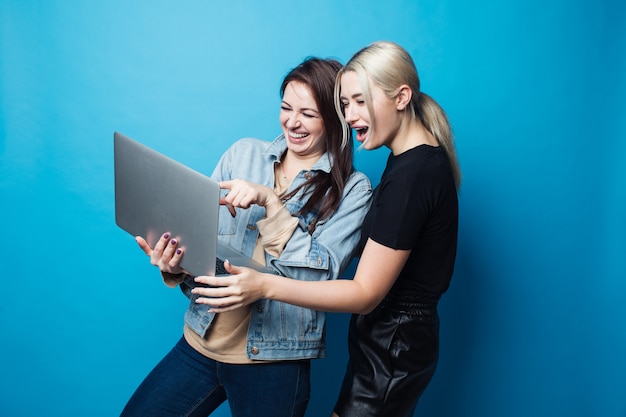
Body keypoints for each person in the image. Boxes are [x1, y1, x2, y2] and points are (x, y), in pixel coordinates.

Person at [192, 41, 461, 417]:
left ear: (402, 97)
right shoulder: (409, 163)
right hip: (383, 346)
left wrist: (264, 284)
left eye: (360, 101)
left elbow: (365, 292)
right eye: (345, 104)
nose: (350, 115)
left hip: (390, 352)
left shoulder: (409, 177)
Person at [119, 57, 372, 417]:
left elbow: (323, 279)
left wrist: (271, 203)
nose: (292, 122)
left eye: (308, 114)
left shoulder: (353, 191)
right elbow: (200, 242)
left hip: (275, 363)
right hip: (201, 340)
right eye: (286, 108)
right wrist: (174, 265)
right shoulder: (242, 154)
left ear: (334, 118)